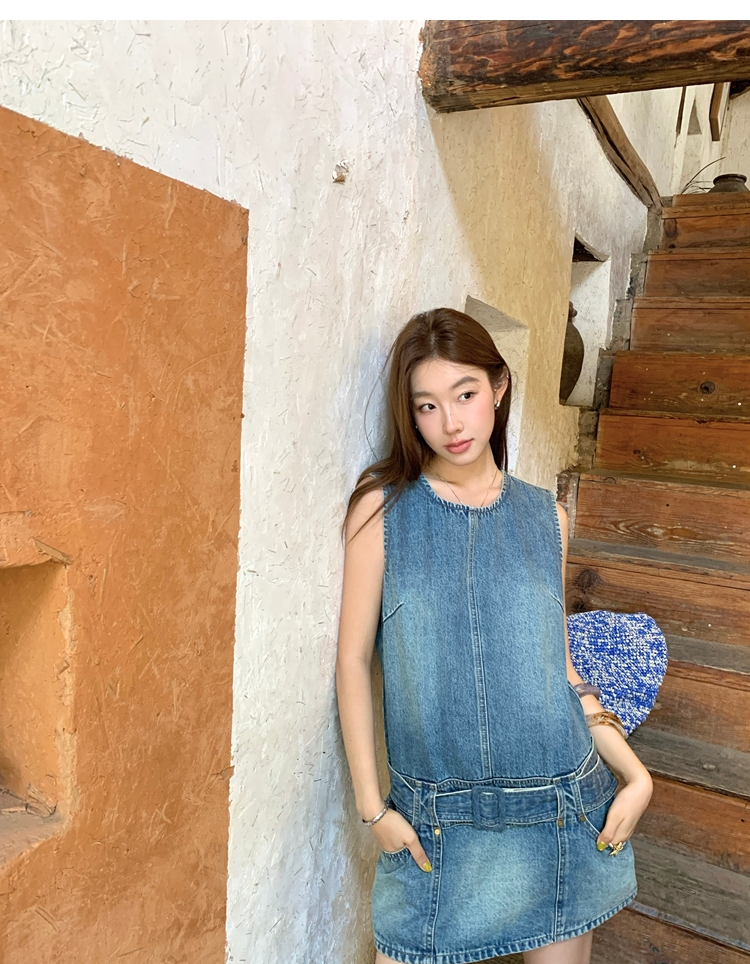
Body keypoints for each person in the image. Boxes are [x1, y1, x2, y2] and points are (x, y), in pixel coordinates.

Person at [335, 308, 653, 964]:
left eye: (465, 395)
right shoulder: (383, 510)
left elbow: (559, 670)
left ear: (499, 387)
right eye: (427, 405)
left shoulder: (547, 518)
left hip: (560, 810)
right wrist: (373, 808)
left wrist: (635, 774)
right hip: (434, 825)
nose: (450, 423)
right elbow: (352, 662)